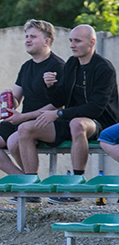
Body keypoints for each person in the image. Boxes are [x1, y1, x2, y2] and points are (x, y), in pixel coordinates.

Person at [16, 24, 119, 204]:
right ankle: (31, 188)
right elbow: (60, 99)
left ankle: (76, 186)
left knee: (77, 124)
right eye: (71, 40)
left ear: (92, 42)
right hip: (69, 118)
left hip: (100, 124)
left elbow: (95, 108)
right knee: (25, 129)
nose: (72, 45)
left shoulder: (104, 68)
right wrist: (51, 87)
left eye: (77, 41)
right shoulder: (71, 63)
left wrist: (59, 113)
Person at [0, 20, 65, 178]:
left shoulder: (58, 66)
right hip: (23, 120)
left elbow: (58, 106)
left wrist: (23, 117)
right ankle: (21, 179)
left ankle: (30, 182)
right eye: (26, 36)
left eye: (33, 37)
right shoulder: (26, 67)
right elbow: (16, 99)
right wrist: (7, 100)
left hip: (47, 122)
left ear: (47, 41)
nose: (27, 40)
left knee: (14, 141)